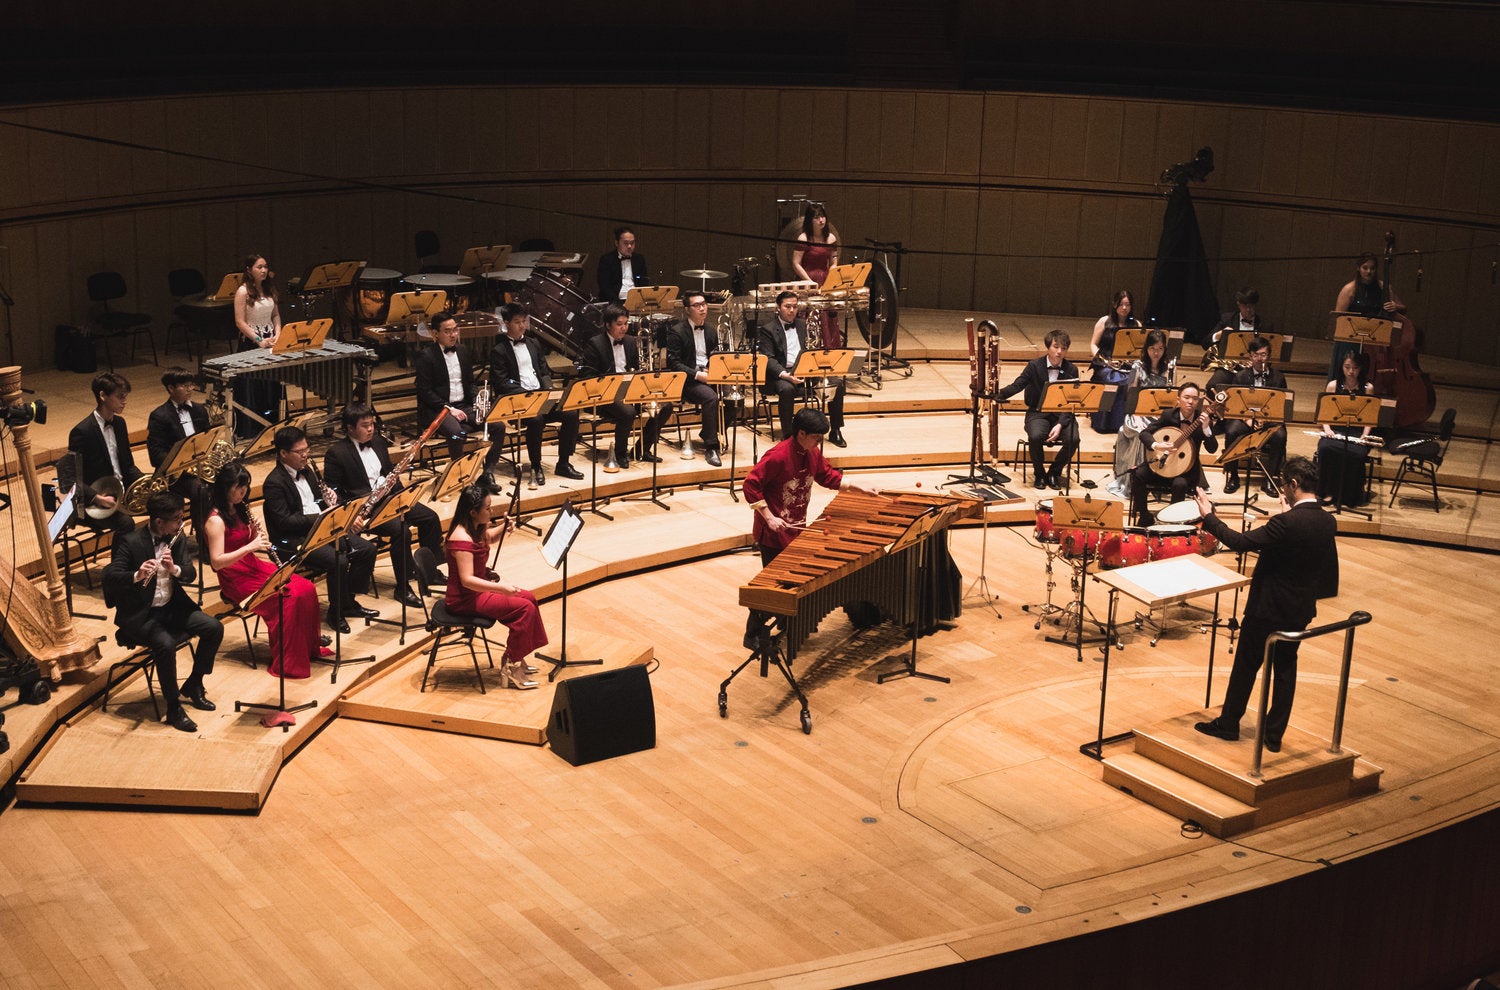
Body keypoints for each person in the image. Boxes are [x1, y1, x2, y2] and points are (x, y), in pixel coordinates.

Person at [1192, 456, 1339, 752]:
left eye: (1285, 484)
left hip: (1267, 609)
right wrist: (1284, 518)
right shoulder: (1327, 520)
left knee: (1246, 665)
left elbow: (1239, 541)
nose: (1282, 489)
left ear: (1294, 484)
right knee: (1285, 670)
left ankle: (1229, 724)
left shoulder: (1285, 523)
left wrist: (1209, 516)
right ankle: (1273, 736)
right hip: (1299, 609)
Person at [740, 407, 878, 648]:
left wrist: (859, 487)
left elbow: (828, 476)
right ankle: (752, 635)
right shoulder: (777, 456)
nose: (819, 442)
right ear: (801, 433)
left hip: (796, 530)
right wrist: (769, 517)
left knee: (794, 583)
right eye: (816, 437)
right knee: (774, 587)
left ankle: (787, 623)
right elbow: (751, 485)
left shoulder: (812, 453)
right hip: (773, 533)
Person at [101, 491, 223, 733]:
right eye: (176, 519)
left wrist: (174, 569)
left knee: (214, 628)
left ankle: (194, 683)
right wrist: (137, 575)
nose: (180, 523)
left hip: (172, 608)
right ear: (159, 521)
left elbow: (190, 574)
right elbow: (111, 576)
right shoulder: (131, 541)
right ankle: (174, 707)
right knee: (165, 645)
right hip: (141, 615)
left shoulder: (175, 539)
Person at [204, 462, 330, 679]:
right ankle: (288, 662)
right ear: (225, 487)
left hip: (252, 565)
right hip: (235, 577)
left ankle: (306, 648)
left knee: (307, 588)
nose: (244, 492)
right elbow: (216, 562)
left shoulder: (241, 509)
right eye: (239, 488)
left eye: (246, 487)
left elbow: (251, 541)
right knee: (287, 598)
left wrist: (257, 535)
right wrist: (250, 547)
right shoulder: (215, 520)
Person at [323, 402, 444, 606]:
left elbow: (389, 474)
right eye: (364, 425)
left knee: (430, 517)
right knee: (401, 531)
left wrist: (402, 496)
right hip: (364, 511)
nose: (370, 429)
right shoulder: (337, 453)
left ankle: (431, 572)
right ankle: (403, 587)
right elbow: (332, 492)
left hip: (389, 499)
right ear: (350, 428)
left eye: (371, 424)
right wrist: (352, 515)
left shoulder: (378, 442)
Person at [261, 425, 378, 634]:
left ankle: (347, 602)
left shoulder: (308, 472)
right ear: (283, 453)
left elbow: (317, 502)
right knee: (338, 560)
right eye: (300, 452)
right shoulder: (273, 483)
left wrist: (328, 502)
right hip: (293, 540)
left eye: (307, 449)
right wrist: (321, 516)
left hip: (320, 531)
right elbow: (285, 522)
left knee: (366, 550)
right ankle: (336, 613)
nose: (306, 455)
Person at [444, 484, 546, 689]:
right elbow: (467, 580)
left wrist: (505, 527)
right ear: (473, 512)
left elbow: (488, 538)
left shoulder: (474, 527)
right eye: (488, 509)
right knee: (524, 608)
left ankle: (516, 656)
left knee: (529, 598)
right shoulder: (460, 538)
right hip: (465, 599)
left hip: (479, 593)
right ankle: (510, 664)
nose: (491, 512)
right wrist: (501, 588)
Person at [487, 302, 584, 488]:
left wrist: (548, 390)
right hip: (519, 402)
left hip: (541, 397)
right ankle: (536, 466)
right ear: (506, 323)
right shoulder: (498, 351)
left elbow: (544, 371)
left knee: (571, 413)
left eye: (524, 321)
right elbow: (501, 383)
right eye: (517, 322)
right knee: (536, 419)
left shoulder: (534, 343)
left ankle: (563, 462)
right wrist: (528, 395)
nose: (522, 325)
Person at [578, 303, 674, 470]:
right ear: (608, 325)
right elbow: (588, 378)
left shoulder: (630, 341)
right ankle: (620, 453)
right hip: (605, 395)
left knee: (666, 406)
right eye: (619, 324)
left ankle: (641, 449)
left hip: (631, 390)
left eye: (626, 323)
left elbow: (635, 369)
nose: (624, 328)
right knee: (627, 412)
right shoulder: (595, 344)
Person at [413, 310, 506, 481]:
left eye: (455, 330)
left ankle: (488, 472)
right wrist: (449, 409)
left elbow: (470, 382)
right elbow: (424, 391)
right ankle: (459, 474)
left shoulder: (462, 351)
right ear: (435, 334)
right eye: (447, 331)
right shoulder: (426, 356)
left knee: (497, 425)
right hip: (438, 410)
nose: (453, 334)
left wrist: (478, 400)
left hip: (464, 406)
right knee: (456, 433)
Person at [758, 290, 848, 446]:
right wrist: (785, 374)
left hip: (807, 371)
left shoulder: (803, 325)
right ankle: (787, 436)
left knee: (837, 384)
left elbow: (813, 349)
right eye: (787, 306)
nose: (792, 310)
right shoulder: (768, 329)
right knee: (787, 389)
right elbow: (768, 359)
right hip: (781, 374)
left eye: (794, 306)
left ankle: (835, 430)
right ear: (778, 307)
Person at [995, 329, 1079, 491]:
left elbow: (1071, 401)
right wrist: (999, 394)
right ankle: (1040, 474)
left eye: (1063, 348)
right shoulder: (1034, 366)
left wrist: (1060, 424)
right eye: (1056, 346)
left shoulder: (1071, 369)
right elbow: (1018, 384)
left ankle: (1054, 472)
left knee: (1073, 439)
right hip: (1038, 412)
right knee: (1035, 436)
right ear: (1048, 347)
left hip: (1062, 414)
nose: (1059, 351)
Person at [1129, 381, 1216, 525]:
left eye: (1195, 399)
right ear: (1178, 399)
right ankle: (1144, 516)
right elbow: (1144, 434)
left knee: (1179, 484)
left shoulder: (1203, 420)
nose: (1190, 401)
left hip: (1185, 472)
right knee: (1138, 475)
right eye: (1187, 397)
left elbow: (1212, 448)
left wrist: (1206, 428)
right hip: (1162, 464)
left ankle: (1172, 523)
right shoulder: (1168, 415)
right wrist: (1158, 445)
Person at [67, 371, 141, 534]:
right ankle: (121, 560)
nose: (124, 401)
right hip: (96, 500)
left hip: (123, 492)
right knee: (126, 523)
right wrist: (96, 497)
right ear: (103, 396)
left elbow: (128, 466)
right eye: (120, 397)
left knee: (166, 503)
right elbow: (72, 478)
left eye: (125, 397)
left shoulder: (120, 424)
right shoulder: (82, 432)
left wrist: (145, 482)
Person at [1106, 328, 1173, 499]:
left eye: (1160, 349)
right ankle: (1135, 482)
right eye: (1152, 348)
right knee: (1140, 432)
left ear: (1164, 349)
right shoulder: (1137, 366)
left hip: (1159, 414)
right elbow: (1131, 394)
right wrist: (1136, 413)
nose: (1156, 353)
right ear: (1146, 349)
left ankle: (1163, 478)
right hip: (1137, 412)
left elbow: (1170, 394)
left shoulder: (1170, 367)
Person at [1221, 335, 1288, 496]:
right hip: (1246, 417)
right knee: (1231, 432)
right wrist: (1248, 419)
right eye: (1256, 355)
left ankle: (1269, 480)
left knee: (1280, 435)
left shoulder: (1278, 377)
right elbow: (1236, 405)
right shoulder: (1241, 376)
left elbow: (1281, 404)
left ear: (1268, 356)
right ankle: (1233, 477)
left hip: (1269, 419)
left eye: (1263, 354)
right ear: (1250, 356)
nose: (1259, 358)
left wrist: (1265, 419)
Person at [145, 370, 212, 530]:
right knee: (200, 490)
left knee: (233, 477)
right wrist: (182, 464)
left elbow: (208, 440)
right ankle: (203, 537)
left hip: (200, 468)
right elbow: (156, 454)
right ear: (170, 388)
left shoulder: (199, 410)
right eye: (185, 385)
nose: (190, 389)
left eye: (191, 385)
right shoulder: (159, 415)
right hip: (175, 475)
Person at [665, 291, 723, 467]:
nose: (702, 308)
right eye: (697, 305)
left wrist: (712, 369)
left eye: (704, 304)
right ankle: (711, 447)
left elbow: (715, 357)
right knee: (711, 397)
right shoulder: (677, 332)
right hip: (687, 381)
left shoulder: (711, 331)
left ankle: (707, 432)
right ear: (687, 309)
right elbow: (673, 363)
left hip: (708, 375)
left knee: (735, 397)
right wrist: (699, 375)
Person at [231, 253, 283, 440]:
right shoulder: (242, 291)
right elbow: (240, 322)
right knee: (252, 386)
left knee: (271, 383)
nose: (263, 270)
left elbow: (275, 315)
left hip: (270, 340)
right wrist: (259, 340)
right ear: (248, 270)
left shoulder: (270, 289)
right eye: (259, 267)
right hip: (250, 343)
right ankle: (251, 428)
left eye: (265, 266)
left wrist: (278, 334)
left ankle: (273, 423)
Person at [1331, 252, 1404, 382]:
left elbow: (1403, 308)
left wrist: (1395, 306)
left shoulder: (1383, 287)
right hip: (1350, 341)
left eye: (1372, 268)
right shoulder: (1349, 289)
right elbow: (1339, 319)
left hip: (1373, 340)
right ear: (1358, 268)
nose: (1369, 271)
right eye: (1365, 268)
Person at [1316, 351, 1376, 508]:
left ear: (1361, 369)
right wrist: (1327, 429)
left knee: (1357, 453)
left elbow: (1370, 418)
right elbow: (1324, 413)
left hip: (1357, 433)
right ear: (1341, 367)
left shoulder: (1368, 388)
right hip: (1334, 430)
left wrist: (1365, 435)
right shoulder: (1333, 386)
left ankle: (1349, 496)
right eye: (1347, 367)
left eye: (1355, 368)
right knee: (1326, 448)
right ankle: (1328, 493)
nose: (1351, 371)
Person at [1088, 289, 1140, 434]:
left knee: (1131, 380)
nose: (1124, 308)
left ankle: (1125, 424)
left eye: (1128, 305)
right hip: (1106, 362)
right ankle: (1103, 423)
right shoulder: (1104, 321)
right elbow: (1093, 344)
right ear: (1114, 304)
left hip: (1127, 364)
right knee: (1110, 380)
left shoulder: (1136, 324)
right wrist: (1102, 360)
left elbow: (1140, 350)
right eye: (1121, 304)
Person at [790, 203, 842, 347]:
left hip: (825, 279)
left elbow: (833, 262)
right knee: (807, 316)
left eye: (823, 216)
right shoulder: (803, 237)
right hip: (806, 279)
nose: (821, 220)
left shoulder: (831, 238)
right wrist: (810, 282)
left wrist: (830, 281)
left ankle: (828, 349)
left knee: (827, 316)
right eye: (817, 217)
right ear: (810, 220)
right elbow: (796, 263)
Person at [596, 226, 649, 304]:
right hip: (614, 302)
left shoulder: (639, 259)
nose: (629, 246)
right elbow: (605, 287)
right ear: (617, 243)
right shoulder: (607, 259)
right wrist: (619, 305)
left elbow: (644, 283)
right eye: (626, 243)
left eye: (632, 243)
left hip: (636, 301)